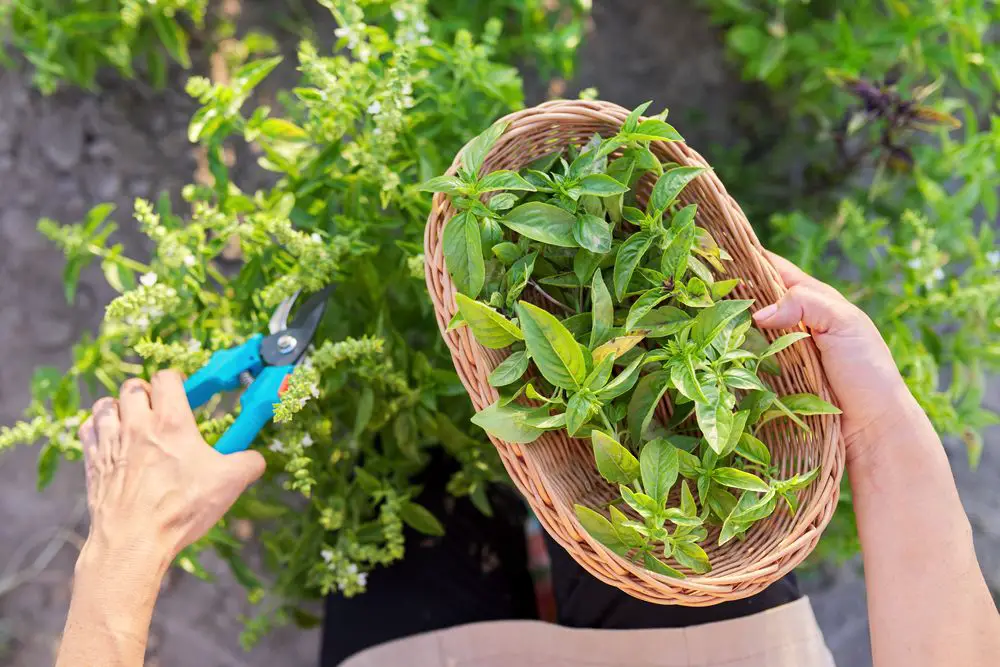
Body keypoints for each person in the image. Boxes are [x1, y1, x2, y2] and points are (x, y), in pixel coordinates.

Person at [55, 253, 1000, 667]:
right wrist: (875, 420)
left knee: (416, 480)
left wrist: (123, 554)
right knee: (615, 460)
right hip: (718, 649)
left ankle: (437, 418)